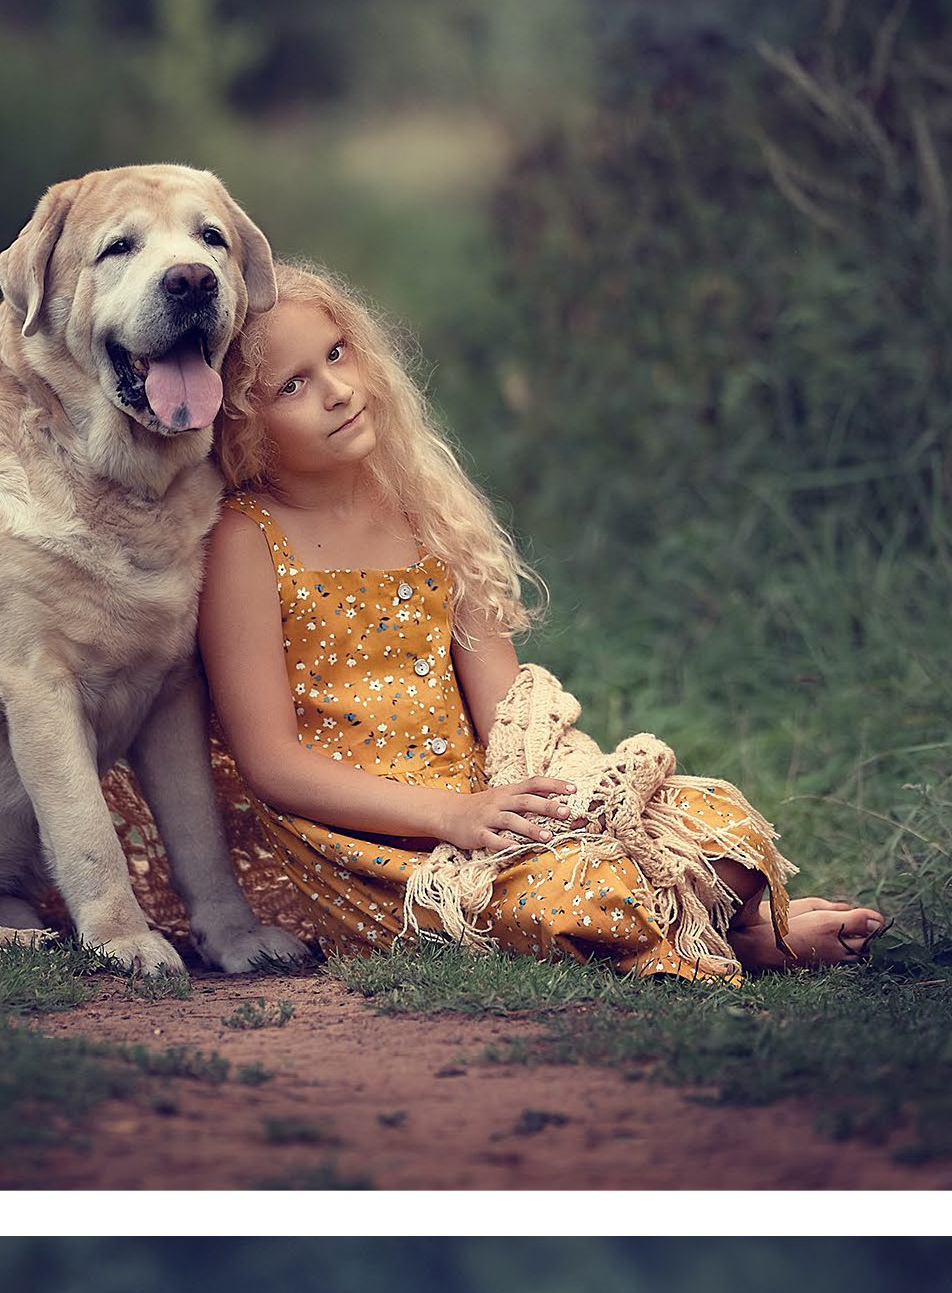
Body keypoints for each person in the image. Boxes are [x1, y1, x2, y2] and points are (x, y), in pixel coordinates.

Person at [191, 264, 887, 980]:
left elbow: (508, 708)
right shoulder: (246, 541)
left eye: (336, 353)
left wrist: (577, 795)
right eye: (292, 386)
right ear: (242, 424)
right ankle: (744, 938)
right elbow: (272, 765)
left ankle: (715, 916)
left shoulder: (416, 507)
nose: (336, 391)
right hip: (370, 844)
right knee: (584, 895)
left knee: (717, 821)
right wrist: (447, 818)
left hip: (488, 802)